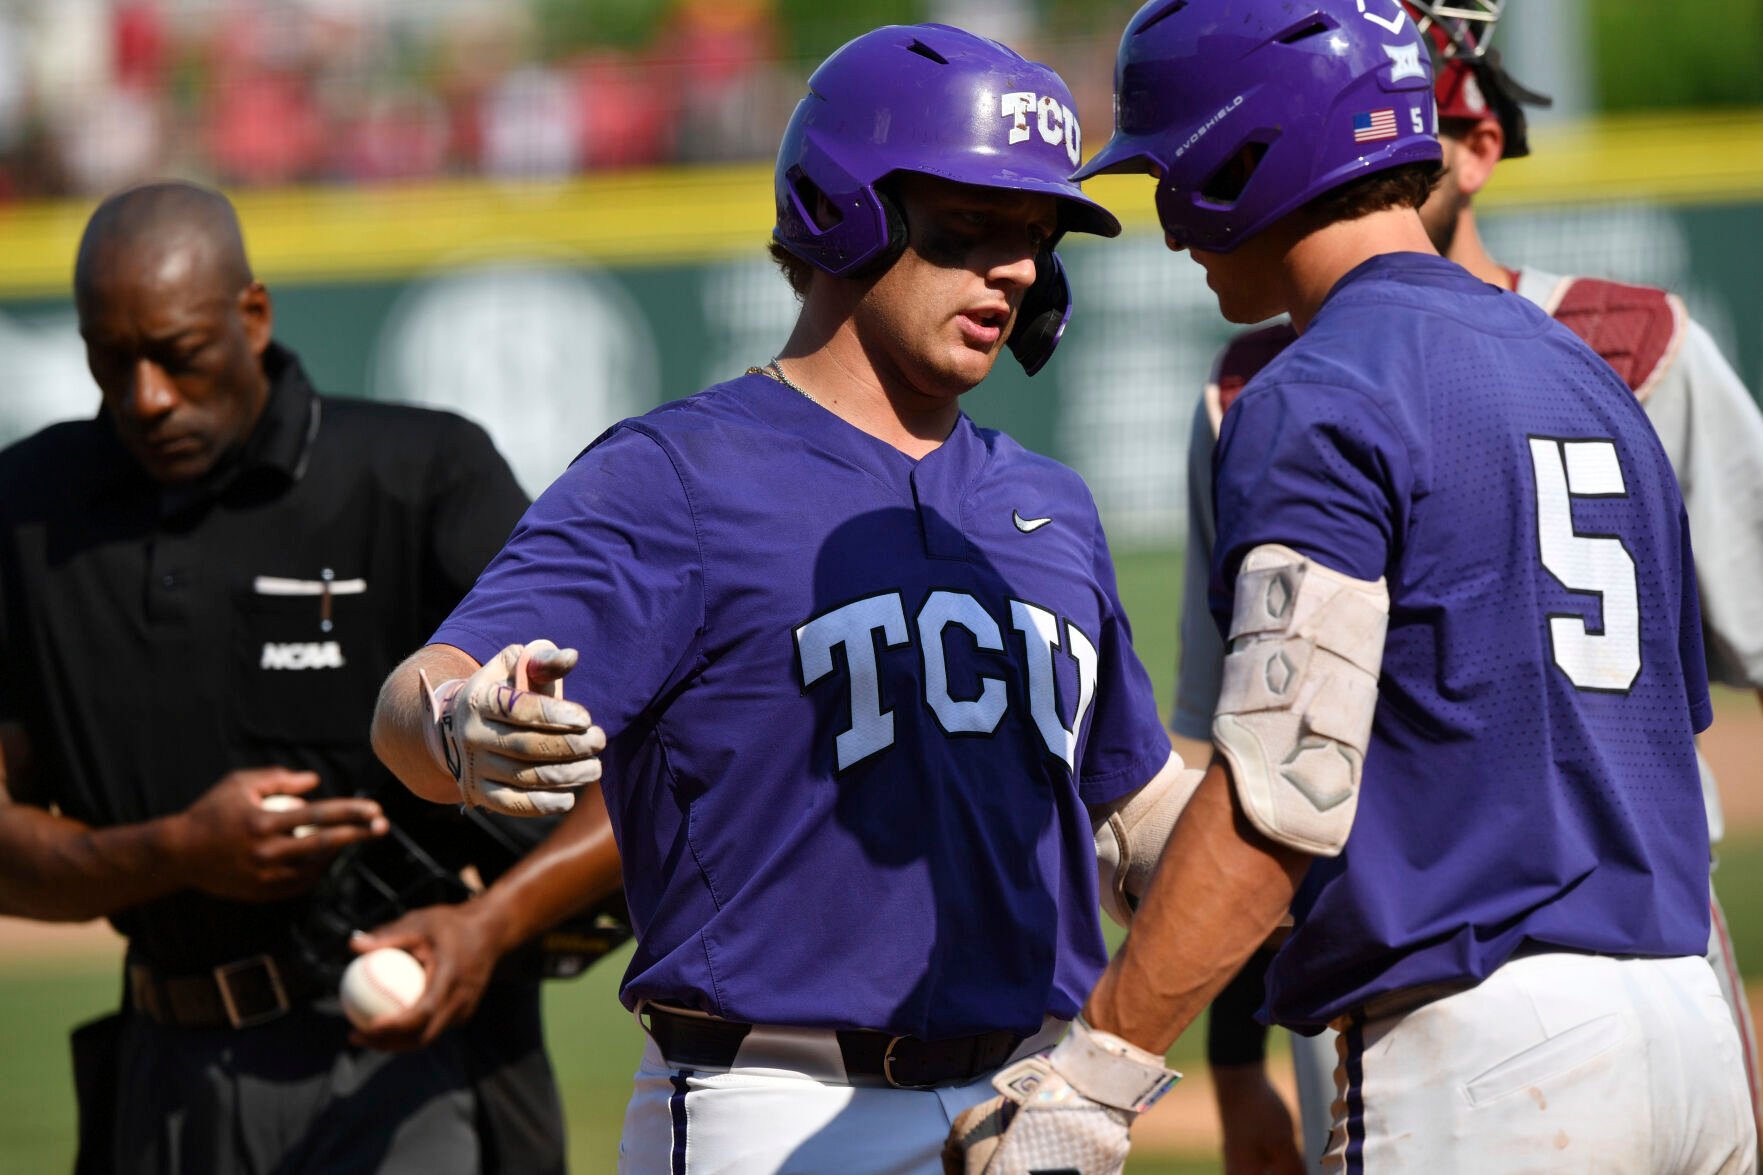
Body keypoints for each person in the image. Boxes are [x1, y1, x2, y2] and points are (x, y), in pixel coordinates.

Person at [945, 1, 1756, 1171]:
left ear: (1246, 156)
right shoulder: (1584, 376)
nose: (1169, 225)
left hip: (1484, 1051)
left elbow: (1285, 784)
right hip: (1688, 1022)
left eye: (1171, 171)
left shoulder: (1317, 387)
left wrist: (1099, 1062)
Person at [370, 23, 1190, 1174]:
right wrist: (457, 727)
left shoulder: (1048, 503)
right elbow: (419, 694)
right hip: (769, 1104)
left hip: (1031, 1111)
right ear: (844, 209)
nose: (1013, 267)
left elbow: (1132, 811)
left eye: (1035, 236)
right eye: (972, 226)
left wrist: (1311, 837)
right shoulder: (675, 474)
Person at [0, 180, 608, 1175]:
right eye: (111, 362)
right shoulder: (28, 511)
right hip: (164, 1071)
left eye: (177, 355)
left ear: (253, 315)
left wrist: (487, 923)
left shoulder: (421, 474)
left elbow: (635, 763)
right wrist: (176, 849)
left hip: (412, 1059)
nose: (145, 396)